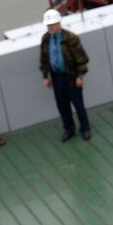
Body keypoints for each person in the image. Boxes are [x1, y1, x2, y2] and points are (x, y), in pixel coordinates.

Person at [39, 9, 92, 141]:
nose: (50, 27)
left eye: (52, 24)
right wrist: (45, 76)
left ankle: (85, 128)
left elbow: (81, 59)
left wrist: (80, 76)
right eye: (48, 25)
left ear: (59, 23)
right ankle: (69, 129)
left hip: (72, 77)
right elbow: (44, 59)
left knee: (78, 104)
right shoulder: (46, 39)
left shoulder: (71, 38)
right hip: (56, 77)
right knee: (62, 105)